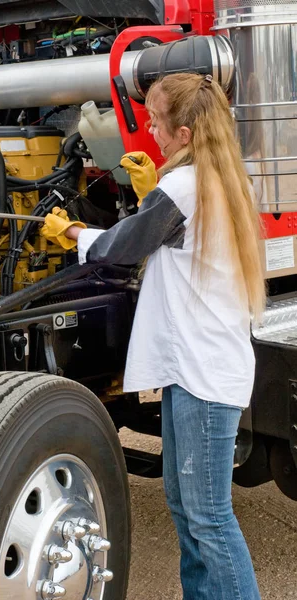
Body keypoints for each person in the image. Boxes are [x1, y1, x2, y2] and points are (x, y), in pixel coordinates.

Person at [41, 72, 265, 600]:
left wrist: (71, 232)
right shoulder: (219, 177)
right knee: (186, 508)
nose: (151, 132)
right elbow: (169, 235)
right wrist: (150, 197)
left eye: (157, 122)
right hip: (198, 368)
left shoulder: (184, 186)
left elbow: (121, 246)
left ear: (185, 133)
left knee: (208, 518)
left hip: (202, 376)